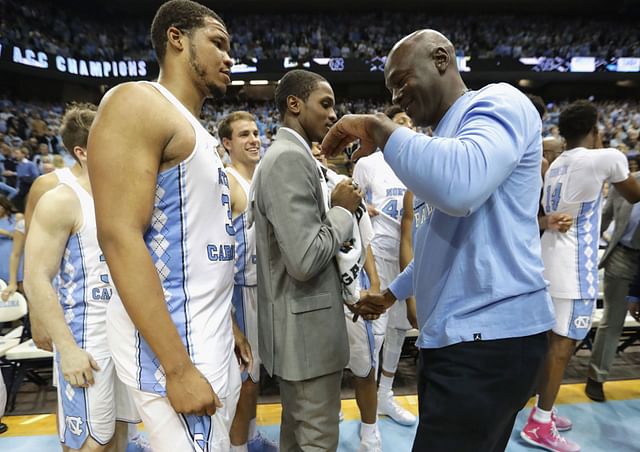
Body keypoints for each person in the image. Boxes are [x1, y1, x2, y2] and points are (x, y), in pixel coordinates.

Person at [321, 29, 555, 451]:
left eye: (402, 79)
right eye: (390, 87)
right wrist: (392, 294)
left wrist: (381, 127)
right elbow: (435, 243)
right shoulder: (442, 143)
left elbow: (460, 187)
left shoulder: (497, 101)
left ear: (442, 59)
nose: (397, 93)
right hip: (459, 338)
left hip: (487, 338)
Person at [87, 1, 249, 451]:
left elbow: (201, 244)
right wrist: (177, 368)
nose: (228, 57)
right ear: (176, 38)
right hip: (178, 350)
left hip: (209, 337)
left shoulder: (194, 129)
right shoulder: (138, 102)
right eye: (217, 42)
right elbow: (119, 237)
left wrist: (230, 326)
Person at [252, 69, 370, 451]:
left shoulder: (292, 155)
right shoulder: (288, 159)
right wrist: (342, 211)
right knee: (317, 440)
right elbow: (304, 259)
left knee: (297, 437)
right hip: (306, 334)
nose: (333, 114)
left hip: (301, 330)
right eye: (325, 103)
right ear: (294, 104)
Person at [522, 100, 640, 452]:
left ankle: (546, 407)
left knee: (552, 343)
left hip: (548, 260)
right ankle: (539, 424)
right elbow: (634, 194)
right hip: (574, 269)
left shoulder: (557, 162)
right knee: (563, 346)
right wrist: (607, 150)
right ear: (595, 129)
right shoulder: (605, 157)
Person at [24, 103, 139, 451]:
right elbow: (35, 278)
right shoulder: (61, 199)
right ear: (82, 152)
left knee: (118, 434)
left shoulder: (123, 194)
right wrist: (68, 348)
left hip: (126, 333)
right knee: (89, 443)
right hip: (87, 335)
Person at [352, 104, 417, 426]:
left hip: (409, 256)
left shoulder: (418, 163)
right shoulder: (368, 163)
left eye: (410, 122)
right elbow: (349, 204)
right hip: (377, 255)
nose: (407, 126)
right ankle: (367, 399)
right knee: (374, 334)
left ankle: (386, 396)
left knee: (399, 330)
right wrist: (363, 205)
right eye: (401, 121)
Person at [218, 111, 276, 452]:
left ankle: (250, 435)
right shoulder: (227, 184)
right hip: (238, 292)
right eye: (244, 135)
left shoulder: (261, 180)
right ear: (227, 143)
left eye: (256, 132)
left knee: (256, 377)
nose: (254, 139)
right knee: (244, 381)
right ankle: (238, 447)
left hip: (262, 290)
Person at [585, 170, 640, 402]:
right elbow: (605, 217)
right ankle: (596, 377)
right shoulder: (626, 182)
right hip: (622, 256)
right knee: (613, 320)